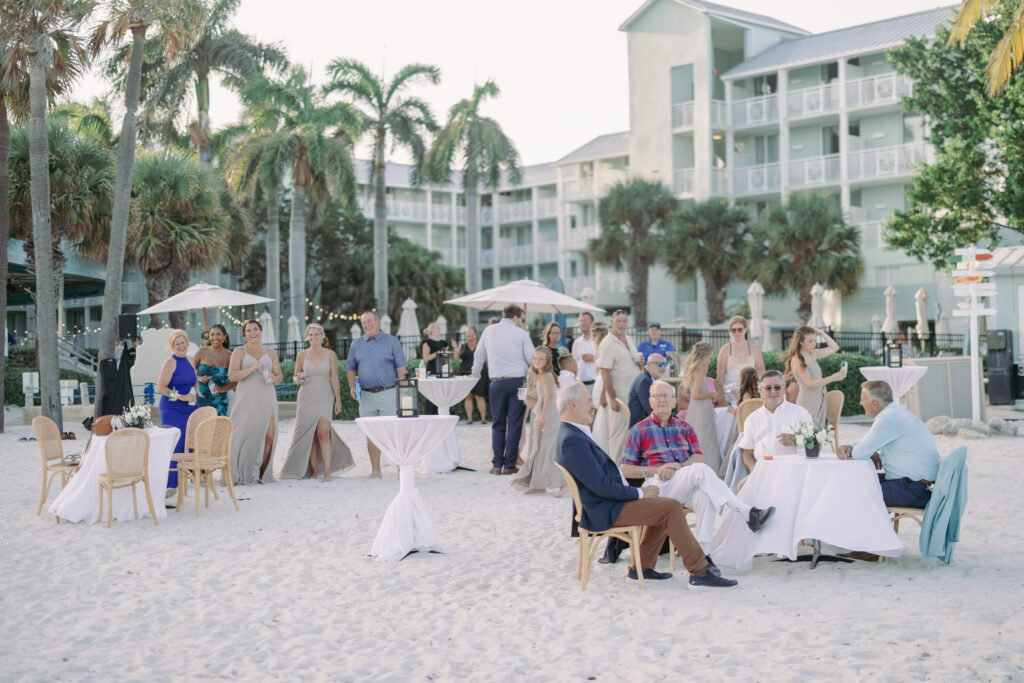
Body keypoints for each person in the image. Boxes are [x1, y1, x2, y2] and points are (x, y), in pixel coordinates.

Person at [554, 382, 737, 587]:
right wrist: (640, 493)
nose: (593, 405)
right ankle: (700, 570)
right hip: (603, 508)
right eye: (588, 400)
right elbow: (601, 487)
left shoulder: (572, 434)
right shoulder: (572, 440)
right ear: (572, 405)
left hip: (607, 501)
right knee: (670, 507)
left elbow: (600, 482)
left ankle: (642, 567)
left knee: (664, 504)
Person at [622, 379, 776, 566]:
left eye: (667, 396)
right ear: (650, 401)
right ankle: (746, 512)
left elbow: (697, 458)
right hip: (656, 487)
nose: (662, 400)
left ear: (674, 402)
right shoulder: (638, 430)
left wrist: (679, 466)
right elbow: (626, 469)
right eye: (657, 396)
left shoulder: (685, 428)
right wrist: (658, 469)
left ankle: (704, 554)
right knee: (701, 471)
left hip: (682, 481)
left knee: (704, 495)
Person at [837, 380, 940, 508]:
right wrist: (854, 447)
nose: (860, 403)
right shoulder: (895, 413)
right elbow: (869, 443)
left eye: (862, 399)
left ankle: (873, 528)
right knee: (858, 481)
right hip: (916, 485)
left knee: (854, 493)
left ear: (874, 403)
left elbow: (859, 453)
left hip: (913, 490)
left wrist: (857, 449)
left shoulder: (888, 419)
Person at [281, 323, 354, 481]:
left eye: (316, 334)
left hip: (324, 395)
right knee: (310, 435)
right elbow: (295, 377)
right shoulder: (301, 355)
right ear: (307, 337)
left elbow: (334, 378)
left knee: (323, 433)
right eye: (310, 335)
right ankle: (313, 471)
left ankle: (327, 472)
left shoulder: (330, 354)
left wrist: (338, 399)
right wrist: (297, 378)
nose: (313, 337)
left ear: (322, 336)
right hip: (306, 395)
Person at [346, 311, 407, 478]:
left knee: (395, 433)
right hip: (365, 397)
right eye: (363, 322)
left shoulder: (392, 342)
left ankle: (400, 471)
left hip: (389, 393)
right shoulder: (356, 344)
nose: (366, 325)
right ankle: (376, 471)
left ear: (377, 321)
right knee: (370, 435)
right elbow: (350, 369)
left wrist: (402, 393)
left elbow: (401, 369)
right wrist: (352, 386)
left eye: (369, 321)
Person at [228, 318, 282, 485]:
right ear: (244, 334)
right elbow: (232, 376)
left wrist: (274, 377)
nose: (252, 333)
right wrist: (251, 368)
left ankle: (262, 474)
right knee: (247, 435)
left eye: (255, 329)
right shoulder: (239, 352)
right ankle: (246, 474)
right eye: (249, 330)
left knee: (269, 436)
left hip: (267, 396)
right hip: (247, 397)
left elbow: (280, 376)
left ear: (261, 331)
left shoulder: (271, 352)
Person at [511, 347, 564, 494]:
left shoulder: (546, 375)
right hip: (543, 413)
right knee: (539, 448)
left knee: (547, 449)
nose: (536, 361)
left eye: (540, 359)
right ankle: (538, 484)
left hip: (548, 415)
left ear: (547, 361)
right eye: (535, 358)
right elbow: (543, 394)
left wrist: (543, 416)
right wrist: (527, 395)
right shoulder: (541, 374)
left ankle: (563, 483)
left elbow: (550, 397)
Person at [738, 370, 813, 471]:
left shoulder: (800, 413)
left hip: (793, 470)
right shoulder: (752, 419)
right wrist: (753, 469)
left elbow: (816, 444)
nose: (773, 391)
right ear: (761, 390)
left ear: (784, 388)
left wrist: (796, 440)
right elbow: (747, 452)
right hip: (762, 471)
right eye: (768, 388)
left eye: (777, 387)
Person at [597, 309, 642, 463]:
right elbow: (605, 371)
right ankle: (616, 472)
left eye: (624, 320)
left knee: (632, 434)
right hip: (620, 397)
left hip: (634, 395)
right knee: (618, 435)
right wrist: (612, 398)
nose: (622, 324)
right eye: (619, 321)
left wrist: (639, 362)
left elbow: (633, 362)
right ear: (612, 322)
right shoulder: (608, 343)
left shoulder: (629, 339)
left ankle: (628, 470)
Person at [157, 329, 197, 491]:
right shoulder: (170, 363)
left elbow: (195, 381)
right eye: (177, 344)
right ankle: (171, 485)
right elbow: (161, 387)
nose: (181, 346)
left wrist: (196, 391)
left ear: (187, 343)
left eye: (183, 343)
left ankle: (185, 478)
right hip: (171, 408)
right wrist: (181, 396)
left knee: (190, 442)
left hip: (190, 408)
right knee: (175, 444)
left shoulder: (191, 360)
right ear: (172, 347)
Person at [783, 325, 846, 425]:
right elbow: (809, 383)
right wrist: (833, 377)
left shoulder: (813, 354)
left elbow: (835, 347)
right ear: (801, 342)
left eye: (815, 340)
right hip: (808, 401)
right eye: (810, 341)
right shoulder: (797, 360)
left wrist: (822, 333)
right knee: (809, 435)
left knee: (819, 435)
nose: (814, 344)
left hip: (819, 399)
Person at [679, 342, 721, 474]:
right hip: (702, 409)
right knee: (705, 440)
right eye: (710, 355)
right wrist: (712, 394)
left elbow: (689, 392)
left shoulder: (693, 367)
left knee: (700, 439)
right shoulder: (701, 368)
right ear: (706, 354)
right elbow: (696, 395)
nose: (711, 357)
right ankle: (707, 470)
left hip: (697, 408)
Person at [715, 316, 766, 406]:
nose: (737, 332)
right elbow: (720, 375)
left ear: (745, 329)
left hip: (750, 390)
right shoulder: (725, 349)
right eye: (733, 330)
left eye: (740, 329)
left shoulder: (754, 349)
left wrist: (762, 389)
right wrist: (721, 395)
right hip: (730, 392)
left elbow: (761, 370)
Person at [193, 324, 236, 416]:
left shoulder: (230, 356)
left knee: (219, 428)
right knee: (202, 428)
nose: (215, 337)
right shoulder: (201, 352)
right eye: (212, 334)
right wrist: (199, 378)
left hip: (220, 402)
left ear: (224, 336)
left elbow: (236, 380)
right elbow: (189, 372)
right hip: (201, 399)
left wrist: (222, 389)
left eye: (218, 334)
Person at [457, 325, 488, 424]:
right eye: (467, 333)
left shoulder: (481, 345)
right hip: (465, 372)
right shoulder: (462, 346)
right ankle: (470, 419)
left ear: (476, 334)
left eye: (470, 333)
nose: (468, 335)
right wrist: (455, 349)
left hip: (480, 373)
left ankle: (483, 418)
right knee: (468, 396)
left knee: (479, 396)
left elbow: (486, 357)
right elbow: (456, 358)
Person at [628, 353, 667, 427]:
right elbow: (650, 408)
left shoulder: (647, 378)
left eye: (664, 364)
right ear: (648, 365)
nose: (662, 367)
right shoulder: (644, 381)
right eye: (659, 364)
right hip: (642, 427)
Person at [420, 322, 448, 415]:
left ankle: (440, 414)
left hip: (442, 369)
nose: (439, 330)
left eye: (439, 328)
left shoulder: (443, 343)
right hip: (432, 369)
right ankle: (429, 415)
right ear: (431, 330)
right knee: (432, 394)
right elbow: (426, 358)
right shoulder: (427, 342)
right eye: (437, 328)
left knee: (441, 393)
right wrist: (438, 353)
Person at [571, 312, 598, 392]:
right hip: (580, 385)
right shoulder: (577, 342)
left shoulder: (598, 341)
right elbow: (574, 363)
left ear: (592, 322)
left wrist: (593, 358)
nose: (583, 323)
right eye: (581, 321)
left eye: (585, 320)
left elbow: (606, 360)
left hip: (595, 384)